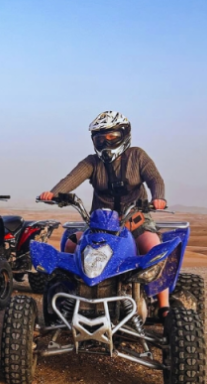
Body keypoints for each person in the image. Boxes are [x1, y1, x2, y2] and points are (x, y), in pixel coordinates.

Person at [39, 110, 170, 316]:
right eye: (100, 138)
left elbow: (154, 178)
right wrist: (55, 193)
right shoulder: (92, 162)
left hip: (135, 219)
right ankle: (70, 296)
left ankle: (163, 305)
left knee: (154, 248)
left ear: (124, 135)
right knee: (71, 244)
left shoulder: (137, 156)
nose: (106, 143)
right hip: (100, 223)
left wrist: (158, 197)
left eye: (111, 137)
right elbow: (72, 178)